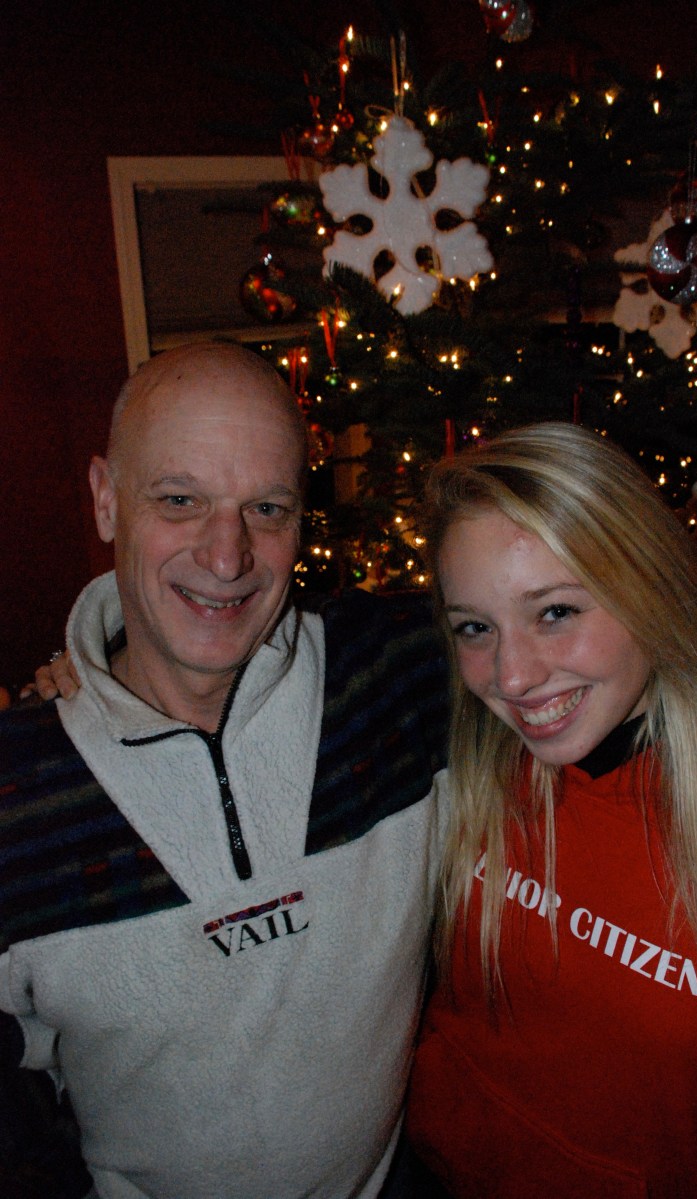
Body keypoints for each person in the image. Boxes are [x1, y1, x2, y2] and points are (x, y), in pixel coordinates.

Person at [0, 342, 450, 1199]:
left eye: (267, 508)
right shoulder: (18, 794)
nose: (226, 555)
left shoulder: (396, 675)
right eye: (180, 499)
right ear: (106, 498)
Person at [405, 421, 697, 1198]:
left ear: (650, 587)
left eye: (555, 611)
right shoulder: (466, 764)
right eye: (475, 628)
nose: (510, 677)